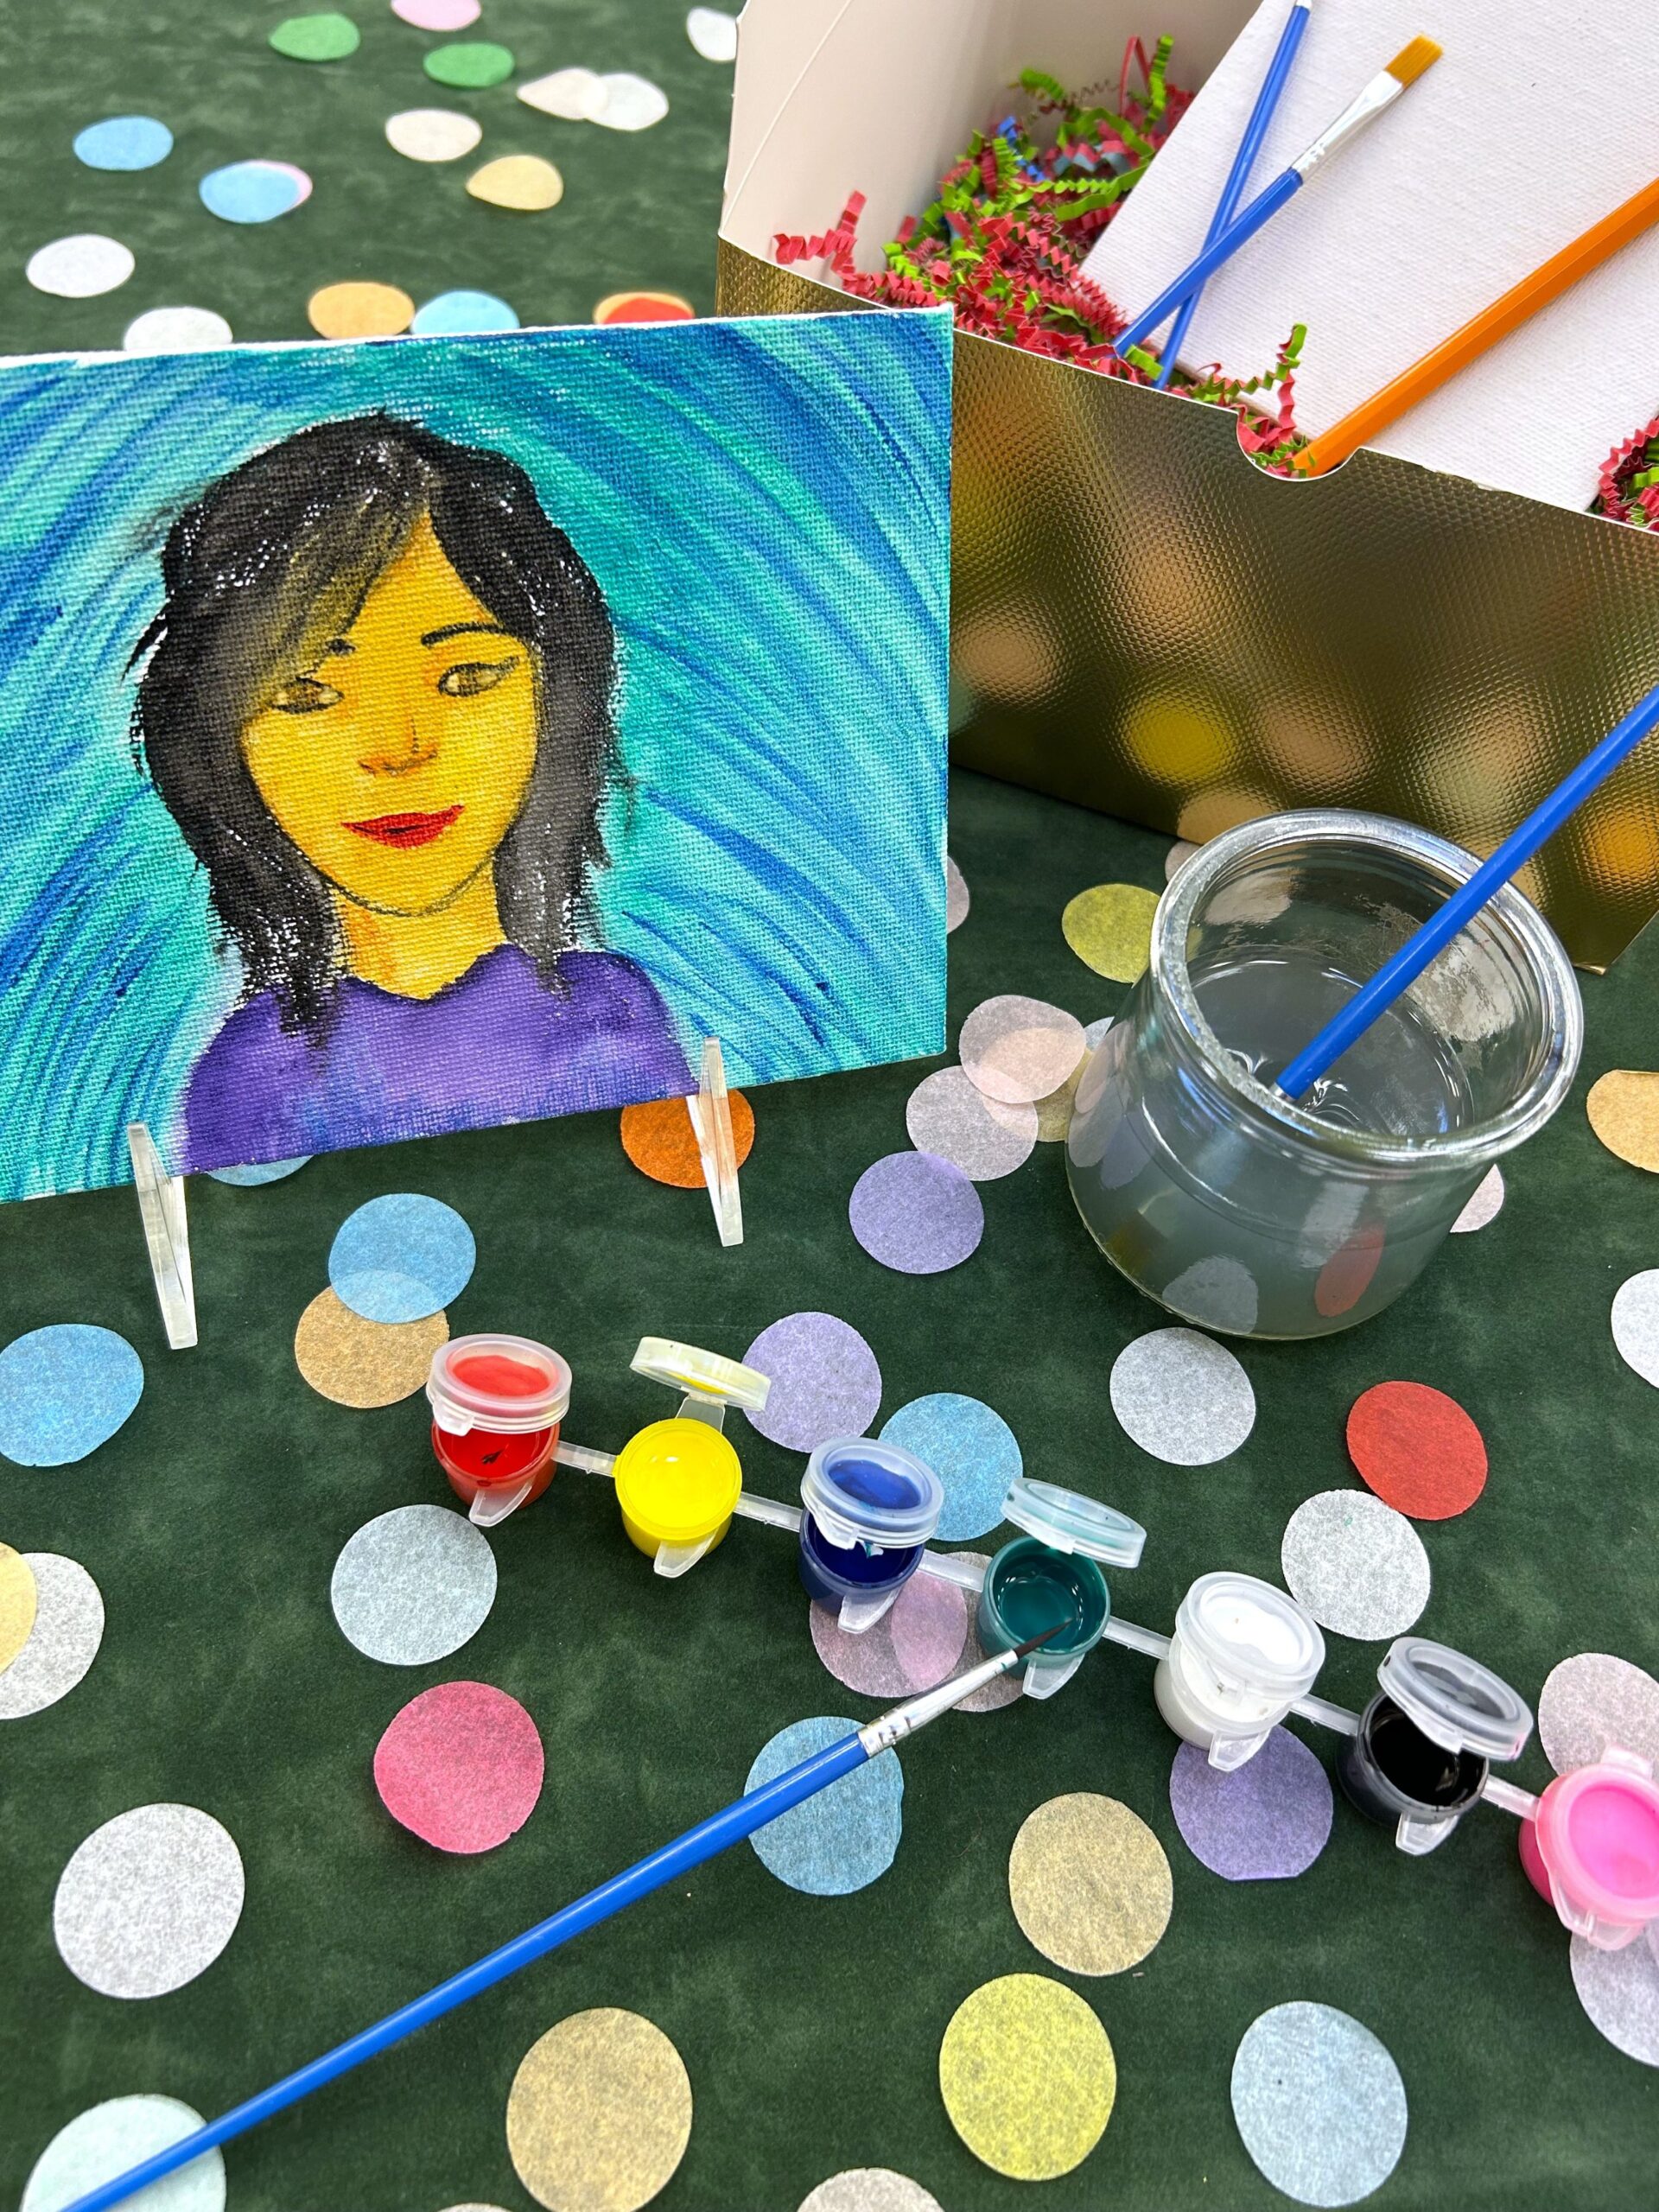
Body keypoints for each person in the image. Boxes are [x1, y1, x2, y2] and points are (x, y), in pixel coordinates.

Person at [134, 412, 691, 1167]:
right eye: (307, 694)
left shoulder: (614, 1014)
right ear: (222, 742)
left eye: (466, 679)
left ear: (554, 703)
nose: (398, 751)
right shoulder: (255, 1080)